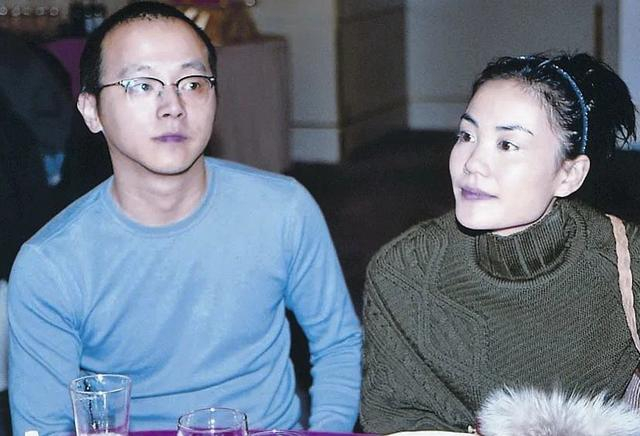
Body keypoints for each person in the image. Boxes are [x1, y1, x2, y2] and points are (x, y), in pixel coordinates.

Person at [8, 2, 362, 435]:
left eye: (192, 83)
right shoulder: (52, 263)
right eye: (141, 85)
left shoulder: (282, 209)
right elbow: (44, 425)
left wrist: (327, 429)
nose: (172, 105)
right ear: (91, 110)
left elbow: (339, 342)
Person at [360, 52, 638, 433]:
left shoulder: (627, 261)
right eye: (467, 136)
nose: (472, 162)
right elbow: (398, 419)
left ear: (569, 175)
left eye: (507, 145)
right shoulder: (403, 274)